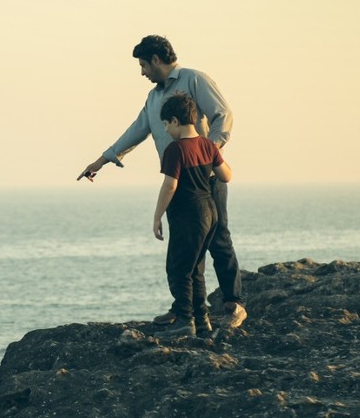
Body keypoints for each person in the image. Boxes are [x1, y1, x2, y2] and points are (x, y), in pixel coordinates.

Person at [77, 35, 246, 330]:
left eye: (143, 65)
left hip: (206, 179)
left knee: (218, 240)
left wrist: (209, 151)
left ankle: (234, 304)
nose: (142, 72)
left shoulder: (194, 79)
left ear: (156, 60)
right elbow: (137, 129)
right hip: (178, 183)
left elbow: (224, 115)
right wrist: (102, 160)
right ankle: (186, 309)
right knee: (186, 250)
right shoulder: (153, 97)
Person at [152, 93, 231, 336]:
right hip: (210, 211)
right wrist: (212, 157)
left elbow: (170, 186)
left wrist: (157, 216)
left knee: (179, 269)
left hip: (188, 215)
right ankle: (202, 321)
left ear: (175, 121)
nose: (166, 130)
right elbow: (226, 175)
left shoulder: (175, 150)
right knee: (195, 269)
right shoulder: (207, 144)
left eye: (166, 124)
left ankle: (185, 321)